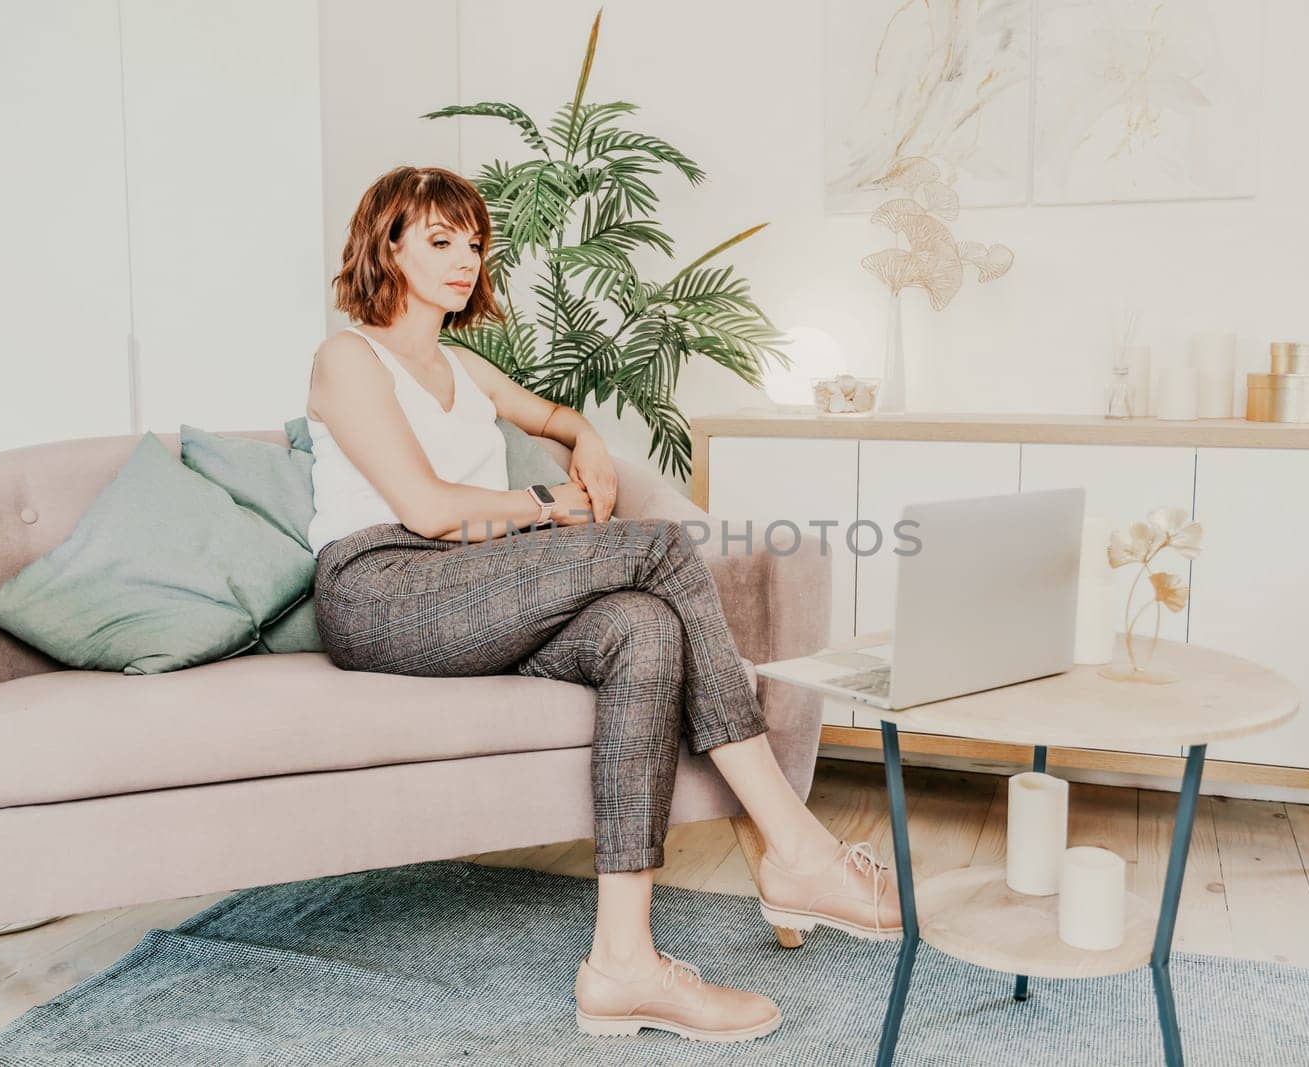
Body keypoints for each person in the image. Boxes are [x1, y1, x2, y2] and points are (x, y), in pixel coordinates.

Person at [305, 165, 902, 1043]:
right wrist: (550, 505)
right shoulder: (348, 356)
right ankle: (799, 847)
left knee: (644, 628)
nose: (465, 259)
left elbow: (554, 417)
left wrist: (585, 439)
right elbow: (428, 509)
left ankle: (623, 963)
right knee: (657, 547)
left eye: (474, 243)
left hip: (480, 588)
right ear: (384, 245)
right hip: (381, 587)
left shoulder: (463, 367)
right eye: (439, 241)